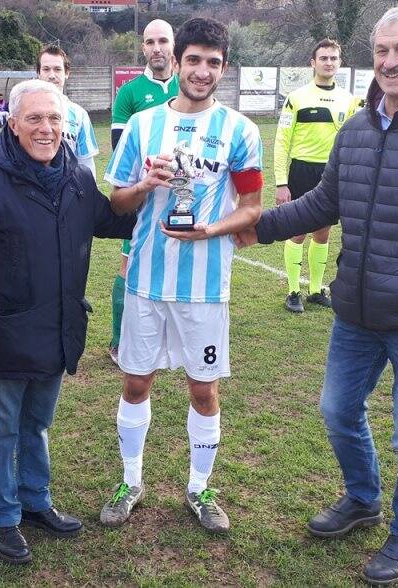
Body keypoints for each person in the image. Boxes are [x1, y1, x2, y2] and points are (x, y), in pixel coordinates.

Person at [235, 7, 398, 585]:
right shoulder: (356, 127)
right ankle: (362, 499)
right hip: (356, 311)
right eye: (381, 50)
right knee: (336, 411)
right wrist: (258, 225)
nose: (390, 61)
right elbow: (325, 202)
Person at [0, 79, 136, 565]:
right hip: (3, 338)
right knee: (2, 430)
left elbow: (110, 221)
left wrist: (152, 194)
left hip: (57, 331)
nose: (47, 129)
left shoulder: (75, 177)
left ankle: (35, 501)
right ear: (13, 124)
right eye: (34, 119)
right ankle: (5, 516)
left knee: (39, 424)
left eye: (55, 119)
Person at [100, 17, 263, 535]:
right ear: (176, 62)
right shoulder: (144, 124)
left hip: (205, 288)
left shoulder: (242, 131)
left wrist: (210, 227)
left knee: (203, 391)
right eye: (193, 59)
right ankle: (131, 481)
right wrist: (147, 183)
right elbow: (117, 202)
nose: (202, 70)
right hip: (146, 280)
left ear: (224, 69)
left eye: (213, 62)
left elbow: (254, 209)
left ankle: (199, 488)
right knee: (135, 381)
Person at [107, 18, 179, 366]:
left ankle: (168, 338)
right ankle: (119, 340)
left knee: (179, 264)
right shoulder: (130, 93)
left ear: (173, 44)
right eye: (150, 42)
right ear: (143, 48)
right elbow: (120, 149)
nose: (156, 48)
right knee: (129, 265)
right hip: (141, 194)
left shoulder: (189, 84)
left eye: (162, 41)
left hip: (183, 195)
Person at [274, 38, 359, 313]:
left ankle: (315, 290)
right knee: (297, 231)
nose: (329, 62)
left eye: (334, 58)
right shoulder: (297, 97)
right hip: (301, 170)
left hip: (332, 172)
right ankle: (293, 291)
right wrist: (281, 182)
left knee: (322, 234)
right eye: (323, 58)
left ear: (339, 62)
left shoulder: (349, 100)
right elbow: (281, 142)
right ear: (313, 63)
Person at [36, 45, 99, 177]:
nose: (52, 75)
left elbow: (86, 164)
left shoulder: (79, 115)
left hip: (67, 193)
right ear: (38, 73)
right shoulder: (24, 111)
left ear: (67, 73)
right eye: (46, 69)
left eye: (57, 69)